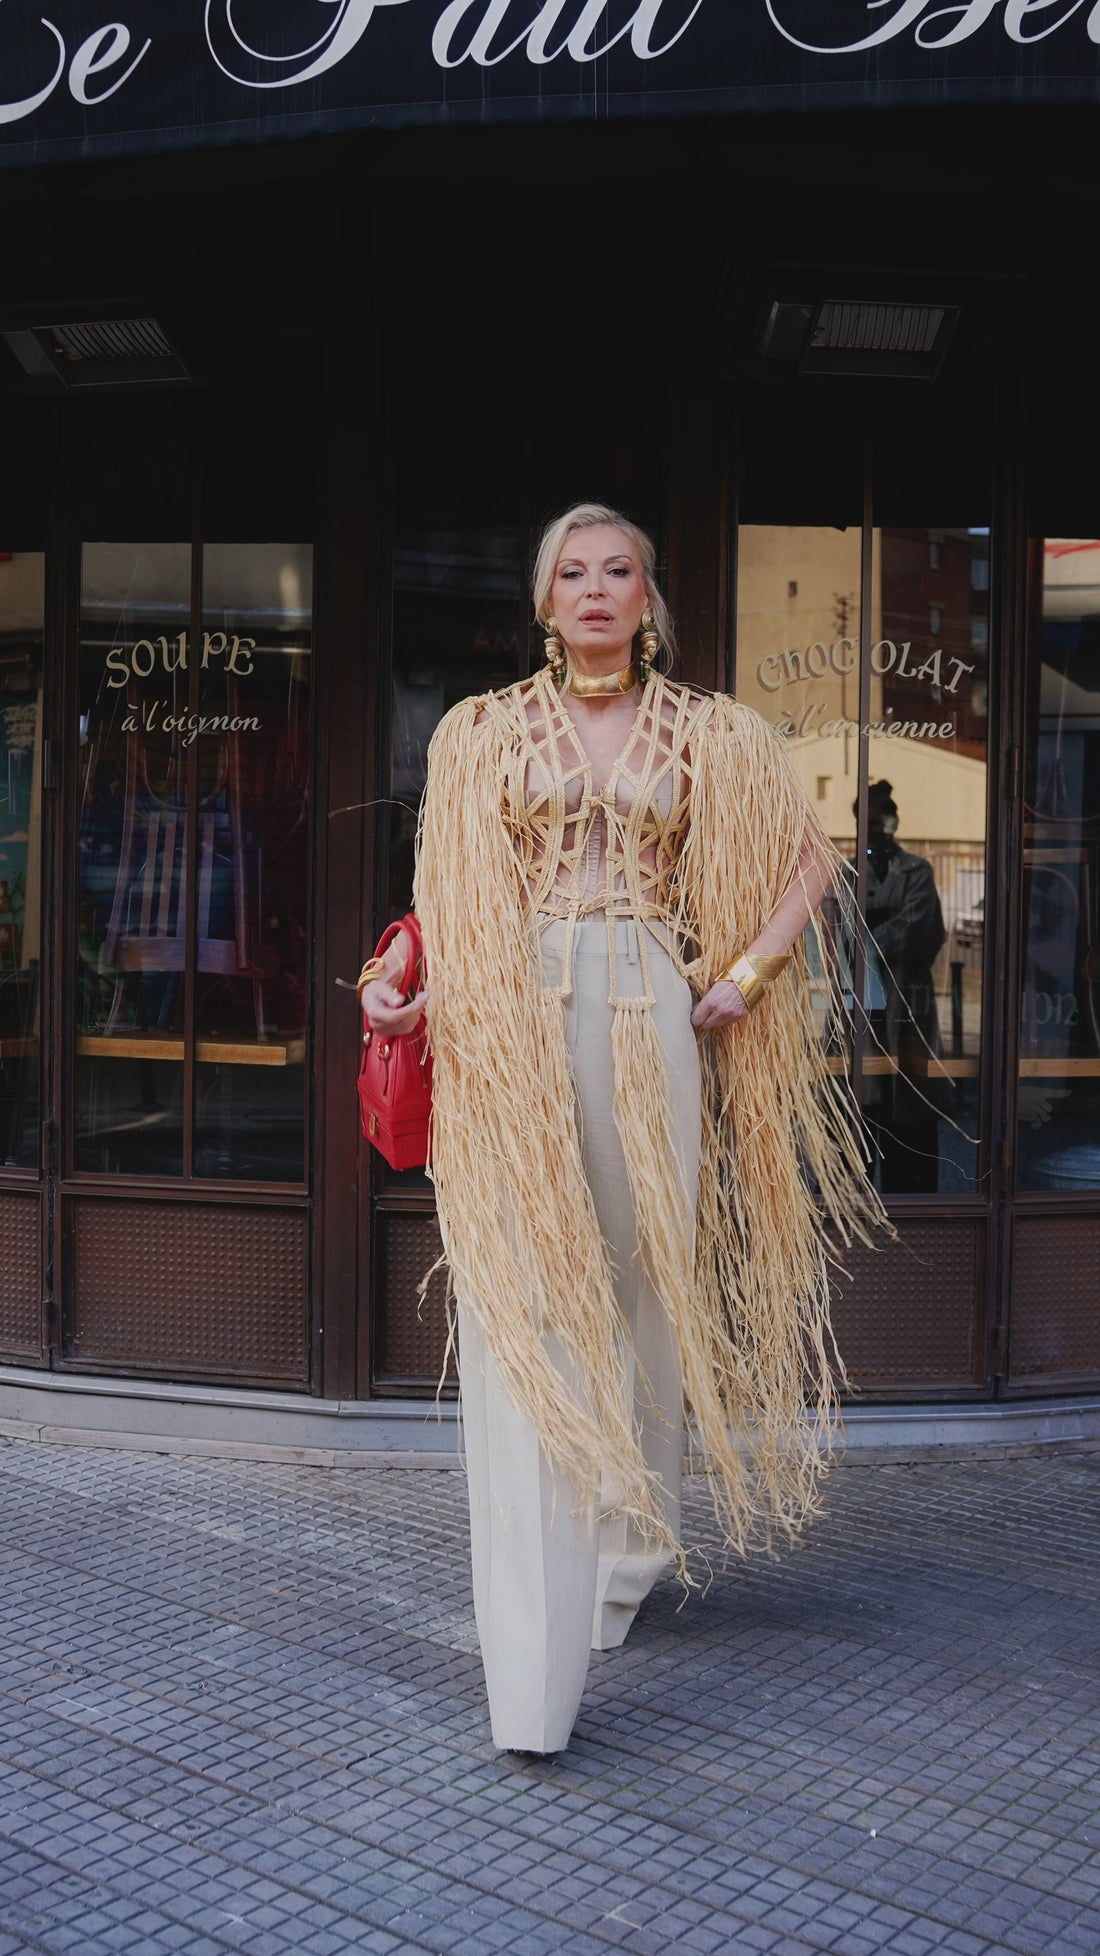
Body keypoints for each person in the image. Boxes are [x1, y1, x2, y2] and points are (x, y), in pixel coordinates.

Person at [361, 503, 883, 1755]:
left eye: (618, 571)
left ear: (647, 597)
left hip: (653, 1020)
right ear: (543, 602)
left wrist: (746, 974)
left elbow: (811, 859)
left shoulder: (712, 731)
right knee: (524, 1303)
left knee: (646, 1289)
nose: (594, 589)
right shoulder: (480, 731)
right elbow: (446, 897)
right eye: (571, 574)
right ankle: (530, 1669)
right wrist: (401, 980)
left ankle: (624, 1553)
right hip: (511, 1024)